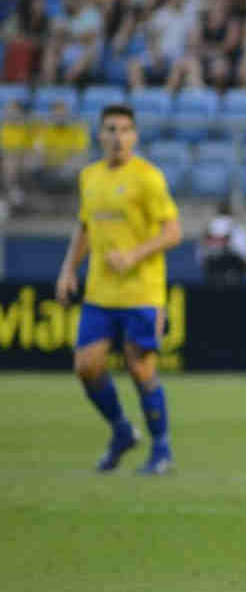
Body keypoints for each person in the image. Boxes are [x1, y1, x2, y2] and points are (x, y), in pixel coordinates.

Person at [54, 105, 181, 475]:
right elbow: (85, 229)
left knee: (140, 368)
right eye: (111, 129)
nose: (118, 136)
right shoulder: (89, 177)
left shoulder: (148, 178)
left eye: (125, 130)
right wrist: (67, 270)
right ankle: (122, 431)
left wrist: (134, 255)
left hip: (142, 291)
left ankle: (162, 449)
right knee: (85, 366)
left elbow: (173, 232)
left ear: (135, 136)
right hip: (100, 292)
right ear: (100, 135)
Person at [197, 198, 246, 286]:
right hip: (231, 275)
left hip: (217, 275)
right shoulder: (238, 227)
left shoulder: (209, 226)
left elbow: (201, 257)